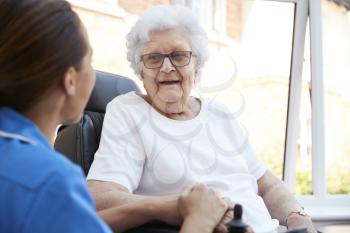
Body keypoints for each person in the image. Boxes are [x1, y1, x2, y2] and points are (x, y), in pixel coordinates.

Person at [0, 1, 230, 233]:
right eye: (90, 60)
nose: (167, 68)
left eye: (179, 56)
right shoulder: (49, 182)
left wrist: (159, 207)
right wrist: (200, 218)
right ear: (70, 81)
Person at [86, 5, 318, 233]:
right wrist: (182, 208)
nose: (166, 67)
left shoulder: (220, 113)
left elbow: (267, 184)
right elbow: (101, 197)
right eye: (154, 58)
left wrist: (297, 216)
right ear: (140, 71)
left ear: (197, 65)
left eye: (178, 56)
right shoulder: (129, 111)